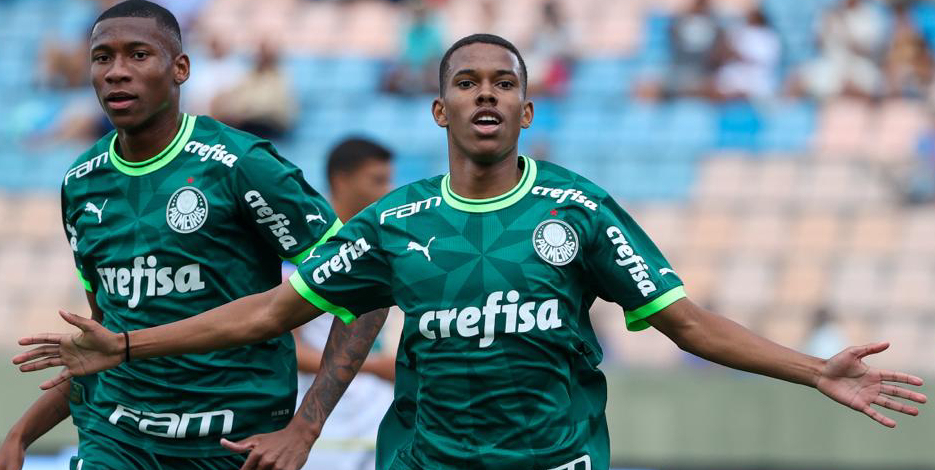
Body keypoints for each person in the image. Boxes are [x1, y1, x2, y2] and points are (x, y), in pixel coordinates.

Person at [15, 34, 927, 470]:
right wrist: (128, 347)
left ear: (526, 109)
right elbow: (272, 312)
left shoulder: (577, 209)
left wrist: (813, 369)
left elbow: (686, 324)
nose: (484, 95)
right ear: (439, 108)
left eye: (502, 84)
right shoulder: (395, 221)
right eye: (465, 82)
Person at [0, 2, 385, 469]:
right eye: (102, 57)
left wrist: (305, 428)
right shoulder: (82, 183)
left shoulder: (241, 165)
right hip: (118, 438)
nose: (116, 71)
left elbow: (364, 287)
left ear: (180, 68)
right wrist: (20, 433)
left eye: (138, 54)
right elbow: (106, 339)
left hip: (232, 442)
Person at [291, 138, 397, 470]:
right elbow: (288, 349)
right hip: (321, 423)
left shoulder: (386, 250)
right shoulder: (301, 251)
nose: (388, 191)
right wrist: (372, 366)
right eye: (377, 180)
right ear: (341, 180)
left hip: (377, 413)